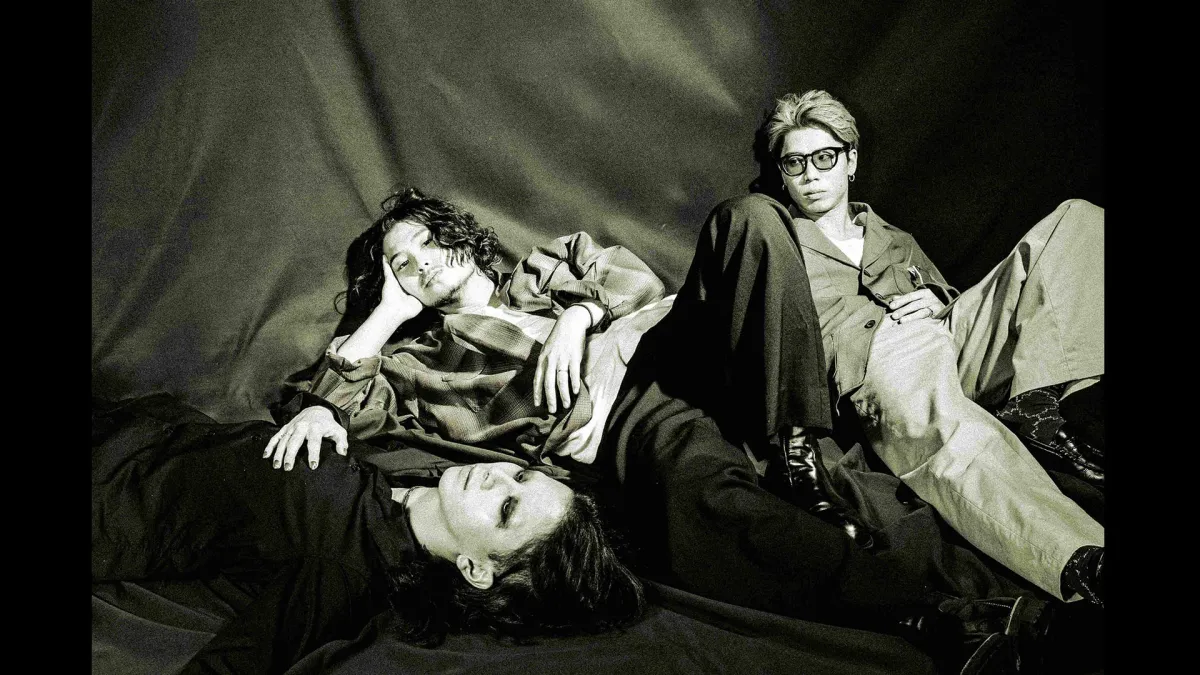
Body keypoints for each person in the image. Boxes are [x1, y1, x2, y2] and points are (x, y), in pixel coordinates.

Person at [268, 187, 1092, 671]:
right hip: (632, 416)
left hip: (671, 345)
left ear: (459, 236)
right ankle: (939, 612)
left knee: (753, 218)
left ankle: (794, 436)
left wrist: (577, 317)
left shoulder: (546, 265)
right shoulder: (419, 364)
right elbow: (348, 407)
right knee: (714, 500)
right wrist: (386, 313)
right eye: (401, 265)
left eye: (425, 243)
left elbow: (632, 280)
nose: (420, 262)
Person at [641, 89, 1104, 608]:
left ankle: (1039, 402)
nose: (811, 175)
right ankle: (1080, 557)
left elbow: (950, 299)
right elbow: (688, 311)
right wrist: (588, 312)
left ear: (851, 161)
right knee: (957, 434)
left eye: (824, 158)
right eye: (795, 163)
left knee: (1078, 219)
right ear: (781, 174)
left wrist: (940, 298)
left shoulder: (891, 235)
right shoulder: (771, 239)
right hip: (878, 362)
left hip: (949, 338)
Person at [92, 394, 645, 674]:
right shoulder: (418, 478)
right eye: (521, 477)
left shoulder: (346, 569)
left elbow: (235, 665)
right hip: (138, 424)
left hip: (108, 491)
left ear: (477, 568)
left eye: (505, 508)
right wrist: (321, 414)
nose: (497, 476)